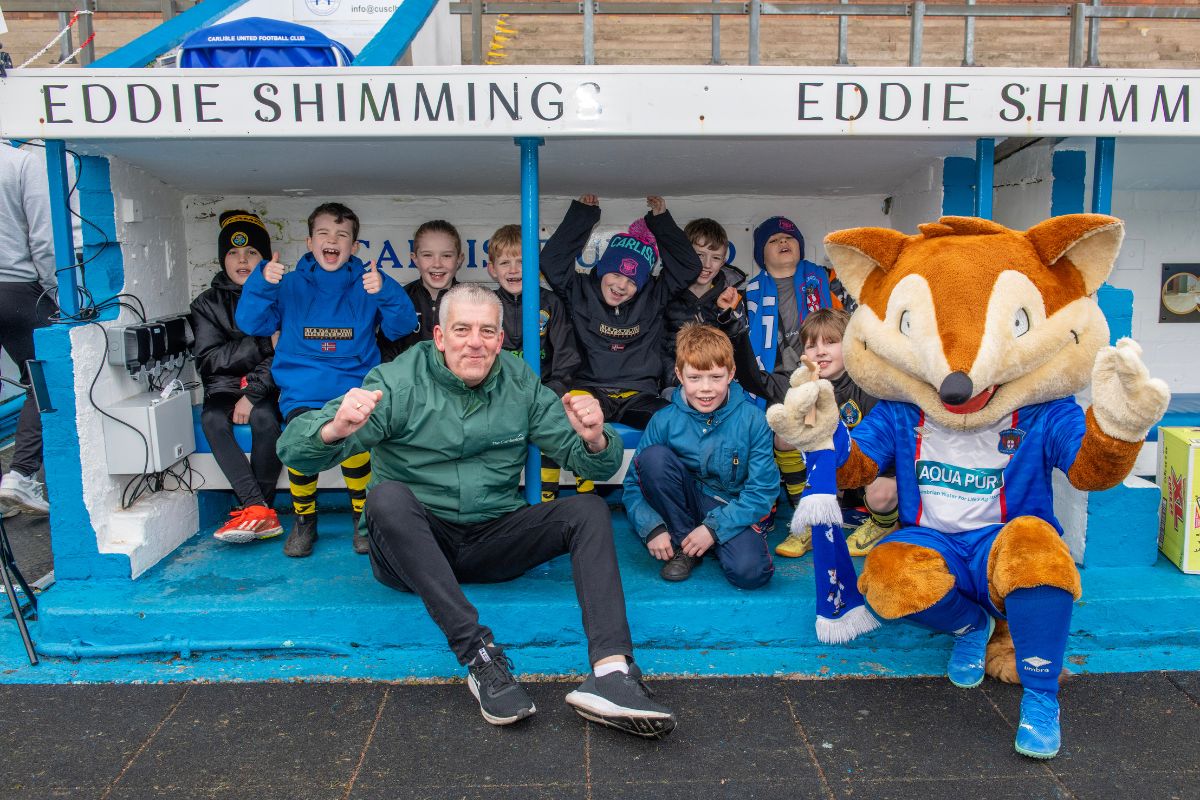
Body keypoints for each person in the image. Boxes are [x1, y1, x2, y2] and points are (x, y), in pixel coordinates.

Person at [276, 284, 677, 738]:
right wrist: (335, 428)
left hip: (492, 538)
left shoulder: (519, 380)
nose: (476, 341)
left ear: (501, 339)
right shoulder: (396, 381)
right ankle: (481, 658)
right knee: (386, 497)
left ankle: (610, 674)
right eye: (462, 329)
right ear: (439, 336)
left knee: (587, 510)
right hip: (415, 549)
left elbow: (589, 462)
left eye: (488, 331)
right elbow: (294, 451)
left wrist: (595, 438)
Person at [236, 202, 418, 557]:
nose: (331, 241)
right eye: (323, 233)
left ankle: (361, 520)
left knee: (355, 445)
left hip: (354, 387)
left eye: (342, 235)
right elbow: (252, 324)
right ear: (309, 241)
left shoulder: (369, 284)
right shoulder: (286, 284)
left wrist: (387, 291)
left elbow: (401, 326)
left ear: (354, 246)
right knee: (303, 445)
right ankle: (305, 521)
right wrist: (260, 284)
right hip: (302, 389)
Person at [623, 324, 777, 587]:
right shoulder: (664, 420)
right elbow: (632, 485)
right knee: (653, 458)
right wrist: (652, 528)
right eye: (694, 378)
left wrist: (712, 530)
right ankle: (687, 546)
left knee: (751, 573)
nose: (705, 389)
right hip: (679, 504)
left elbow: (762, 491)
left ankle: (702, 540)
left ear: (731, 374)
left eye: (715, 377)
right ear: (679, 375)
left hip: (728, 507)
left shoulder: (753, 420)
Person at [540, 194, 701, 433]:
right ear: (602, 268)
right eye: (615, 274)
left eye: (631, 281)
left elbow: (690, 267)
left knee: (675, 424)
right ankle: (587, 470)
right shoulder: (579, 289)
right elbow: (550, 260)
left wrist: (661, 223)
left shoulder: (654, 295)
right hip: (589, 391)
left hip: (639, 396)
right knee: (571, 419)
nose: (621, 286)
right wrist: (583, 217)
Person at [189, 211, 285, 543]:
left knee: (264, 419)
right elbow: (209, 360)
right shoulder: (206, 303)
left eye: (252, 253)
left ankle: (259, 511)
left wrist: (254, 393)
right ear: (222, 259)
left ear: (264, 258)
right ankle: (257, 507)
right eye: (233, 253)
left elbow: (283, 354)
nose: (242, 260)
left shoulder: (280, 295)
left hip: (268, 388)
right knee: (213, 419)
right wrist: (260, 342)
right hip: (222, 387)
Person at [779, 309, 899, 558]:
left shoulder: (869, 385)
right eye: (812, 346)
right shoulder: (808, 387)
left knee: (881, 495)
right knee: (785, 437)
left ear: (849, 346)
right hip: (836, 475)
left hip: (874, 472)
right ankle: (808, 516)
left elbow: (889, 448)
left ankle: (884, 523)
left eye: (831, 342)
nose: (820, 351)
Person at [487, 223, 582, 501]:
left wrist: (550, 393)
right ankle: (496, 496)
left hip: (545, 392)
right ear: (492, 269)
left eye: (522, 262)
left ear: (536, 267)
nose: (514, 269)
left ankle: (547, 498)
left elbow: (566, 356)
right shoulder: (487, 305)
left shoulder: (550, 303)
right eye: (505, 262)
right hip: (500, 394)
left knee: (549, 427)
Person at [0, 143, 57, 518]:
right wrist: (56, 294)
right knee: (43, 379)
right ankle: (21, 474)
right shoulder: (20, 161)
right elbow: (44, 239)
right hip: (15, 287)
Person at [660, 218, 746, 389]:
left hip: (719, 387)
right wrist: (679, 383)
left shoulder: (731, 295)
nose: (707, 265)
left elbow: (739, 346)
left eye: (715, 257)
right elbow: (658, 348)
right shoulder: (665, 292)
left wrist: (726, 314)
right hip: (676, 386)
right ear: (685, 254)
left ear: (723, 262)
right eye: (699, 255)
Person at [380, 219, 463, 362]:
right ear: (415, 258)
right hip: (409, 382)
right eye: (427, 255)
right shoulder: (401, 300)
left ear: (459, 259)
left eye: (447, 255)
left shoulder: (471, 300)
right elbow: (387, 352)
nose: (437, 264)